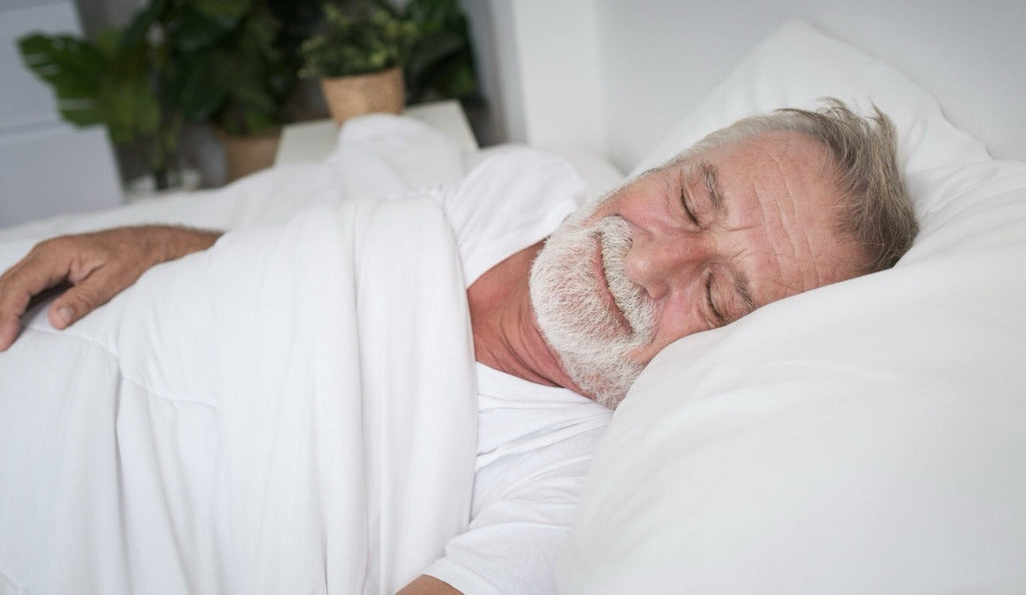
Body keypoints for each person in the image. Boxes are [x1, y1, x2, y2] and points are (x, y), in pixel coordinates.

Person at [0, 99, 917, 593]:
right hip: (44, 332)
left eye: (716, 298)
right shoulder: (527, 188)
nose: (650, 263)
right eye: (687, 203)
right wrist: (151, 246)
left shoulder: (582, 489)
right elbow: (304, 253)